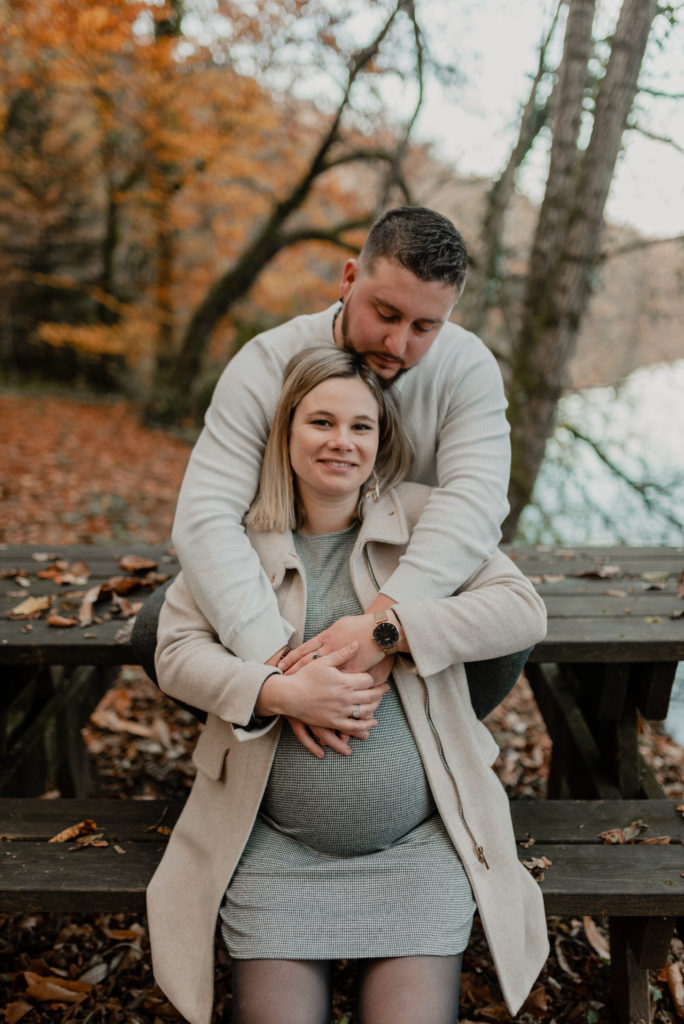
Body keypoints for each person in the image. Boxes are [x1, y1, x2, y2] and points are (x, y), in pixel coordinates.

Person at [147, 348, 549, 1024]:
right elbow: (176, 651)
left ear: (381, 440)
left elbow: (522, 610)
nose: (341, 442)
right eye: (321, 422)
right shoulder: (237, 541)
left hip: (418, 853)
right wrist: (277, 692)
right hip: (274, 850)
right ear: (287, 433)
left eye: (361, 427)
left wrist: (388, 631)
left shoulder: (424, 523)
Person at [132, 206, 531, 731]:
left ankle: (413, 746)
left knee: (501, 643)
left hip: (404, 569)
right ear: (348, 279)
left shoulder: (468, 367)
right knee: (154, 628)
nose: (398, 345)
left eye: (425, 327)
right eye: (386, 314)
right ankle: (278, 743)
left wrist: (385, 624)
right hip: (285, 568)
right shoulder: (265, 363)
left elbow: (475, 501)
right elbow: (206, 514)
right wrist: (280, 672)